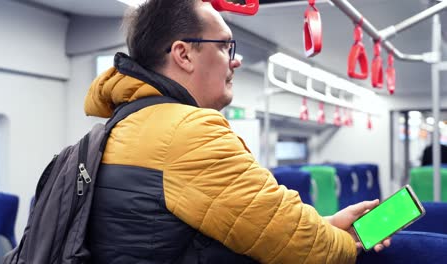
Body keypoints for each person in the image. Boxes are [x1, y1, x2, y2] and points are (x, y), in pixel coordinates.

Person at [84, 0, 390, 263]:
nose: (236, 61)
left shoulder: (125, 124)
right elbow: (302, 248)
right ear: (183, 54)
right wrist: (350, 244)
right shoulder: (188, 132)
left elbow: (258, 227)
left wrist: (328, 224)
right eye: (224, 47)